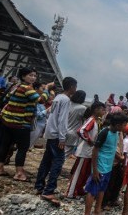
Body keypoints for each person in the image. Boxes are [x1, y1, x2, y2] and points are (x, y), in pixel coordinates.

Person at [0, 67, 54, 181]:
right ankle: (19, 173)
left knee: (5, 145)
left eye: (34, 76)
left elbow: (7, 98)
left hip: (7, 121)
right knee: (22, 148)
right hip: (21, 124)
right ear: (23, 76)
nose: (33, 78)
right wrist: (47, 89)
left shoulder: (16, 86)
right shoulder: (27, 88)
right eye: (30, 75)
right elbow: (41, 100)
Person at [34, 76, 77, 206]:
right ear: (71, 87)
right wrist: (62, 137)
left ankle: (39, 186)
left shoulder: (58, 97)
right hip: (57, 135)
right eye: (75, 86)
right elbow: (62, 120)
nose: (76, 89)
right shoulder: (65, 100)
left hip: (50, 132)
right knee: (58, 161)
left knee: (46, 160)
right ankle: (49, 190)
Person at [84, 113, 128, 215]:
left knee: (102, 189)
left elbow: (111, 149)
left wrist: (120, 159)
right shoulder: (104, 133)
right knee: (92, 191)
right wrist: (95, 170)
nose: (125, 127)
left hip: (108, 167)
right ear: (117, 125)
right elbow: (95, 150)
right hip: (100, 167)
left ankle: (97, 210)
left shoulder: (116, 133)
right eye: (124, 125)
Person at [66, 102, 106, 199]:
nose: (104, 112)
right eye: (102, 109)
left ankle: (79, 190)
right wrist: (89, 140)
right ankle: (71, 192)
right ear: (96, 110)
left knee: (84, 173)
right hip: (84, 151)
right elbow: (81, 130)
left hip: (88, 152)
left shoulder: (95, 121)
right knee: (79, 172)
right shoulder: (92, 120)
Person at [29, 83, 52, 149]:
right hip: (35, 125)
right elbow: (38, 115)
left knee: (30, 144)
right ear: (36, 89)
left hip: (39, 125)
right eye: (43, 88)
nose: (44, 91)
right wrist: (47, 110)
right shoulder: (35, 100)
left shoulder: (41, 102)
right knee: (27, 144)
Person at [65, 90, 87, 159]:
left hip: (63, 130)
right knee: (65, 153)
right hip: (73, 132)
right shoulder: (83, 108)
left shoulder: (68, 103)